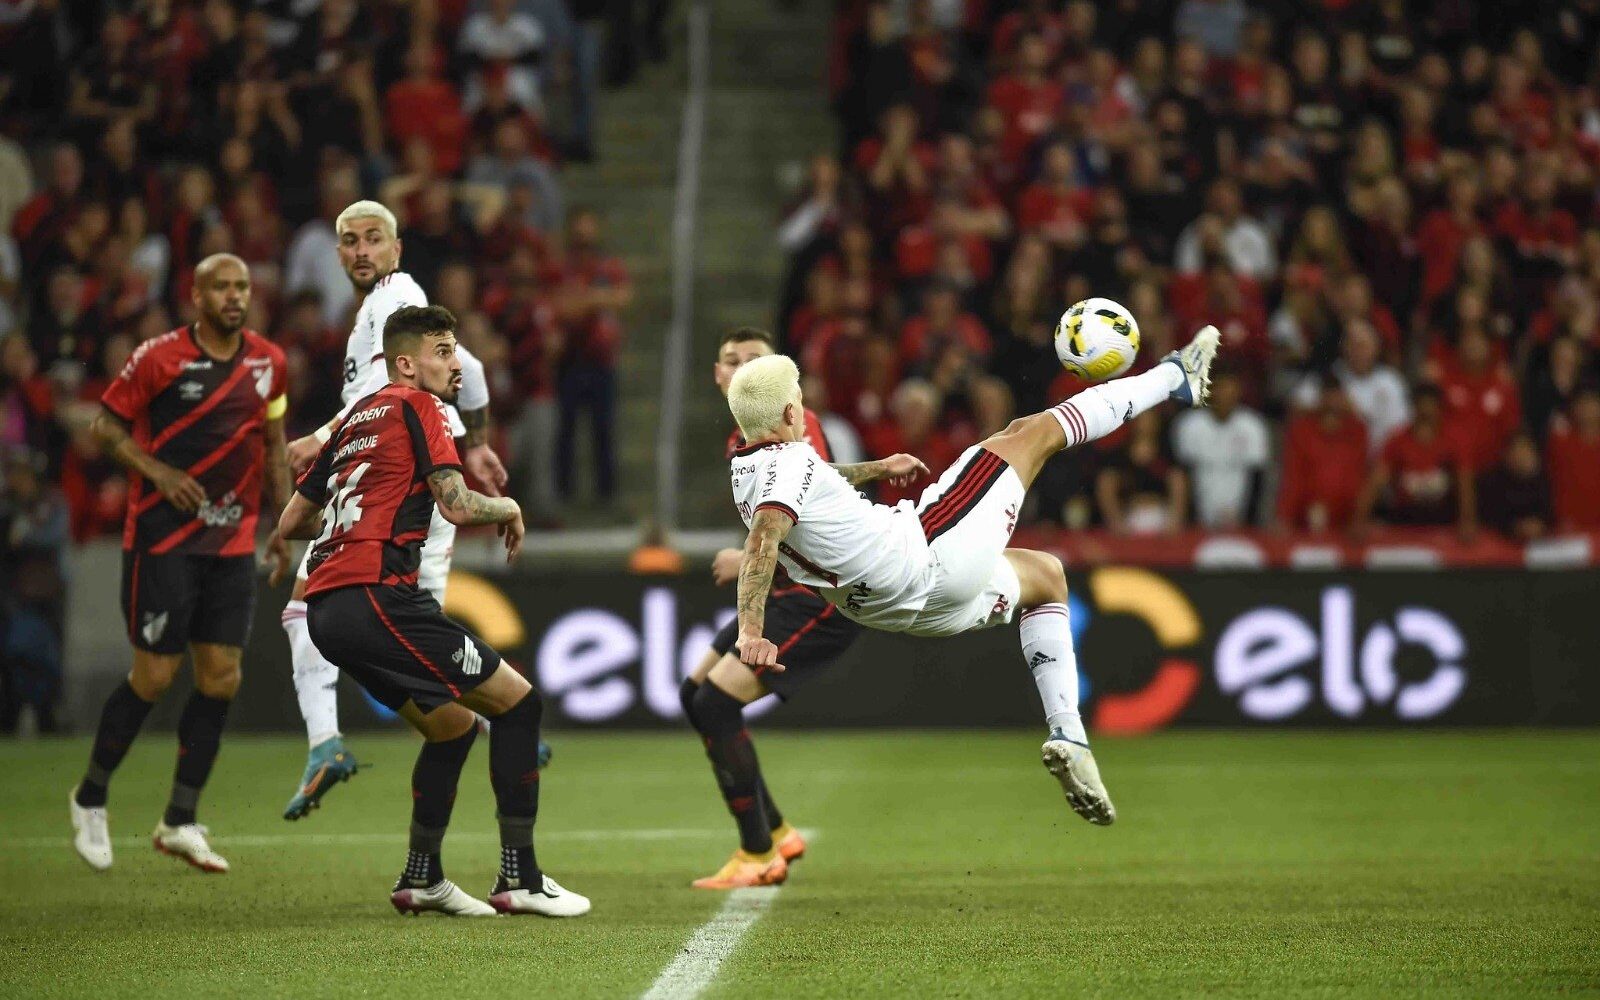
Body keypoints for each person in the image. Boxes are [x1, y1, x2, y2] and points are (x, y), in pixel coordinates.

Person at [725, 326, 1222, 841]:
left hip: (899, 609)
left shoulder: (750, 463)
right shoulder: (785, 468)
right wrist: (750, 630)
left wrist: (877, 468)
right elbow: (764, 538)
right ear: (790, 416)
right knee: (1032, 432)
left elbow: (810, 480)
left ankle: (1070, 735)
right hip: (924, 555)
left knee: (1046, 577)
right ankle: (1174, 378)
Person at [279, 304, 587, 917]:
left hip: (326, 612)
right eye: (444, 351)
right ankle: (520, 878)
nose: (456, 364)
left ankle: (422, 877)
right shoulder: (419, 407)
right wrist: (510, 508)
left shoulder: (352, 421)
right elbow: (456, 504)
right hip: (378, 595)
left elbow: (292, 521)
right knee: (520, 704)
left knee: (451, 728)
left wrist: (354, 512)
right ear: (404, 363)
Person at [277, 200, 527, 822]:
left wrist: (323, 436)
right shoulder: (382, 309)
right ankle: (485, 718)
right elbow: (468, 368)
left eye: (373, 238)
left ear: (396, 248)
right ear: (336, 253)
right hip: (410, 459)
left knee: (326, 604)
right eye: (349, 241)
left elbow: (379, 392)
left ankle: (328, 742)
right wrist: (478, 440)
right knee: (400, 610)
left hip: (403, 465)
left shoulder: (395, 294)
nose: (360, 251)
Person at [69, 254, 292, 873]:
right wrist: (159, 473)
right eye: (220, 287)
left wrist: (284, 522)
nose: (233, 295)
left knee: (222, 676)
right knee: (155, 677)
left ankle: (180, 819)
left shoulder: (268, 362)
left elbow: (273, 442)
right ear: (195, 297)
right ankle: (90, 797)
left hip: (230, 542)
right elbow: (105, 428)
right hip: (163, 542)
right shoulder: (158, 357)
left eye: (241, 286)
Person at [682, 328, 862, 889]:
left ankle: (758, 851)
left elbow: (817, 503)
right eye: (730, 361)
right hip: (785, 588)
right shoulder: (742, 435)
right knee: (695, 694)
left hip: (816, 597)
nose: (741, 370)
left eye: (754, 361)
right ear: (718, 377)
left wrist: (749, 554)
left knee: (714, 704)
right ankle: (777, 831)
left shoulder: (794, 425)